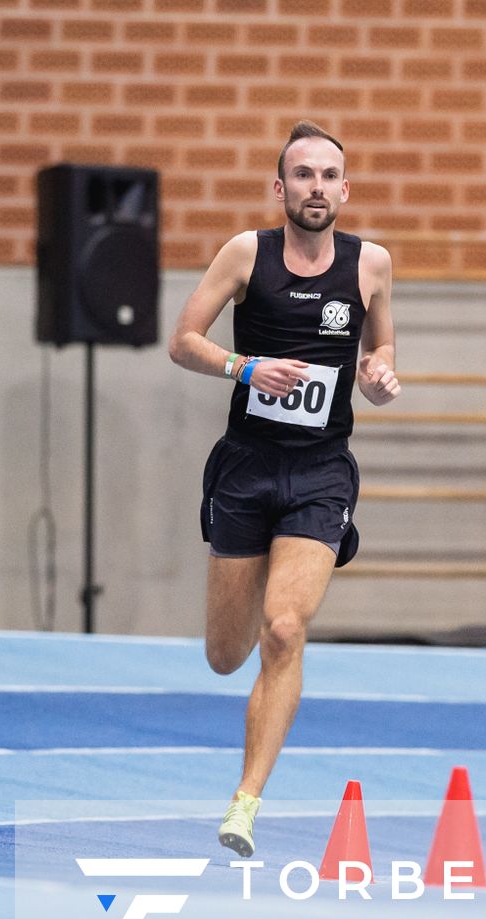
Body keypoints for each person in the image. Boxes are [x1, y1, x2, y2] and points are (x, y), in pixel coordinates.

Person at [167, 120, 401, 858]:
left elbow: (382, 347)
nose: (316, 188)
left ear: (345, 189)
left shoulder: (371, 265)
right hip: (247, 466)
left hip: (320, 472)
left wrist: (382, 375)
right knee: (225, 654)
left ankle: (244, 803)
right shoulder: (246, 254)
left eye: (329, 176)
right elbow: (183, 341)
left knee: (285, 630)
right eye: (303, 175)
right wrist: (245, 368)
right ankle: (253, 587)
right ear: (280, 188)